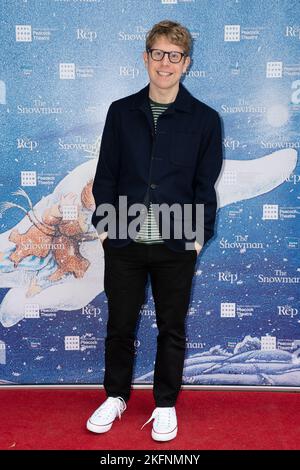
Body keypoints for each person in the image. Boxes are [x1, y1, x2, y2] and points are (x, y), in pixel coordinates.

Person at [87, 20, 223, 442]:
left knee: (172, 327)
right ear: (146, 58)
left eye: (175, 56)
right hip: (123, 240)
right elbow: (106, 173)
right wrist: (107, 229)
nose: (166, 63)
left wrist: (198, 237)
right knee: (120, 325)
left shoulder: (204, 120)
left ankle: (165, 404)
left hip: (177, 241)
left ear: (186, 64)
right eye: (159, 54)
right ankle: (116, 395)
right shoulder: (120, 112)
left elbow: (205, 184)